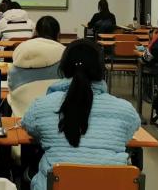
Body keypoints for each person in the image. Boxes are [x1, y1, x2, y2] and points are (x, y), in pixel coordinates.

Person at [22, 39, 141, 190]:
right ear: (101, 70)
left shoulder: (41, 106)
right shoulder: (125, 110)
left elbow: (28, 126)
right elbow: (127, 135)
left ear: (63, 68)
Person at [7, 16, 65, 117]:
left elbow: (11, 89)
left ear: (36, 32)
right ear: (58, 34)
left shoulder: (21, 51)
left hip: (20, 119)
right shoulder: (65, 56)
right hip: (54, 119)